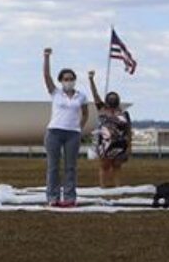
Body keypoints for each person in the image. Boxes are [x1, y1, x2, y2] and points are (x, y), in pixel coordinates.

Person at [42, 47, 89, 207]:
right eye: (66, 79)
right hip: (54, 132)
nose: (69, 81)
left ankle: (69, 197)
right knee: (53, 167)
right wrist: (46, 57)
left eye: (71, 78)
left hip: (72, 134)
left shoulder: (81, 96)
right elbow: (46, 76)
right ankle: (52, 197)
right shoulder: (55, 93)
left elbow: (85, 113)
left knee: (70, 167)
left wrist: (79, 128)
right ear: (61, 81)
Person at [88, 70, 132, 187]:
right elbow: (95, 95)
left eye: (114, 98)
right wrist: (91, 79)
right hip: (105, 144)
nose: (113, 99)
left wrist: (129, 146)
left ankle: (118, 188)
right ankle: (103, 187)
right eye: (110, 98)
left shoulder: (124, 113)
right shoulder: (102, 110)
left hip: (120, 144)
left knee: (117, 166)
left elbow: (128, 130)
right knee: (104, 166)